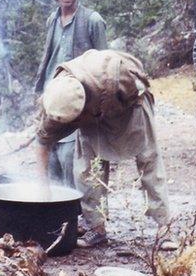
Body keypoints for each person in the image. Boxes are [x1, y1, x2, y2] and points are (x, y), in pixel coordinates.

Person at [35, 49, 171, 248]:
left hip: (130, 106)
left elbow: (140, 86)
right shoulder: (57, 102)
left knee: (148, 162)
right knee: (86, 170)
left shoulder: (116, 77)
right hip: (93, 114)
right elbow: (42, 143)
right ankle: (96, 228)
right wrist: (43, 189)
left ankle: (165, 228)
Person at [33, 0, 108, 187]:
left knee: (72, 161)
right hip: (52, 100)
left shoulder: (92, 21)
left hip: (79, 102)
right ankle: (58, 217)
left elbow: (105, 66)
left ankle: (80, 217)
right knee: (51, 159)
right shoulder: (52, 21)